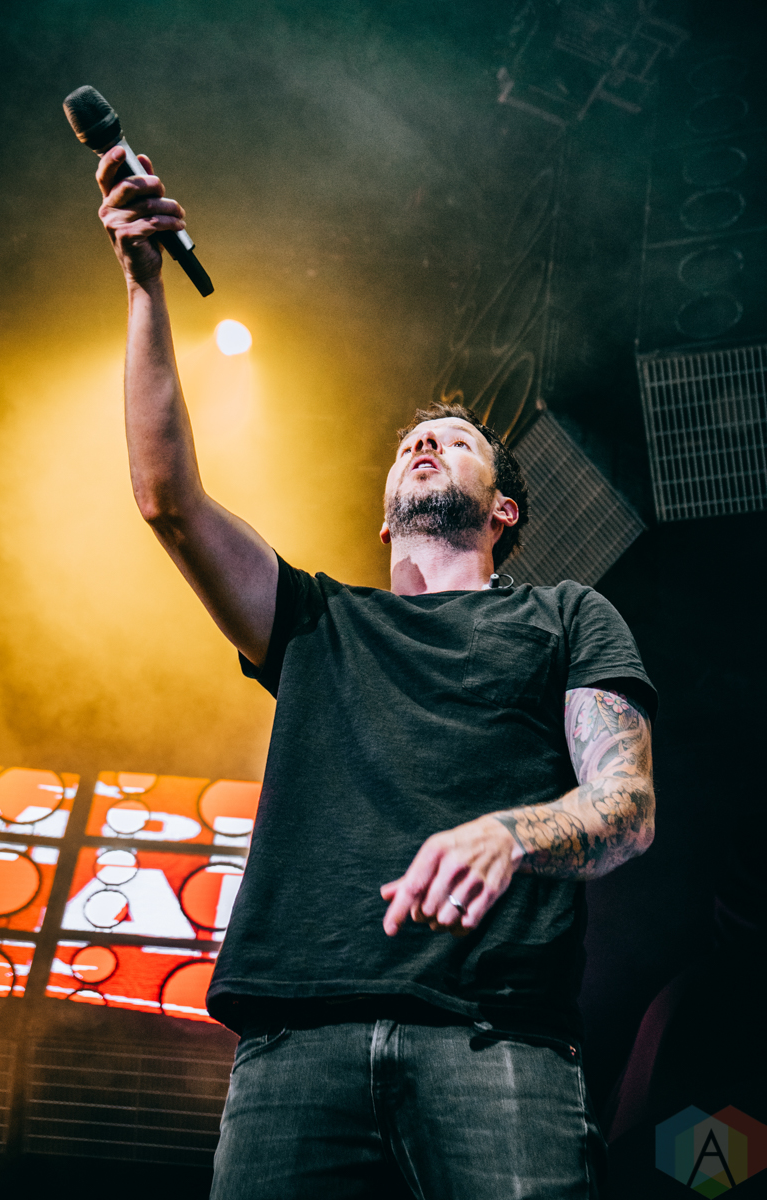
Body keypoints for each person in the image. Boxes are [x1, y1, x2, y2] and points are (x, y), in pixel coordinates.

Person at [95, 144, 657, 1200]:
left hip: (499, 1043)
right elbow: (166, 498)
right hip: (294, 1044)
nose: (426, 444)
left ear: (504, 510)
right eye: (412, 443)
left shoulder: (566, 615)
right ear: (386, 512)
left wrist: (511, 832)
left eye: (456, 440)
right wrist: (143, 286)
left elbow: (626, 806)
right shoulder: (315, 620)